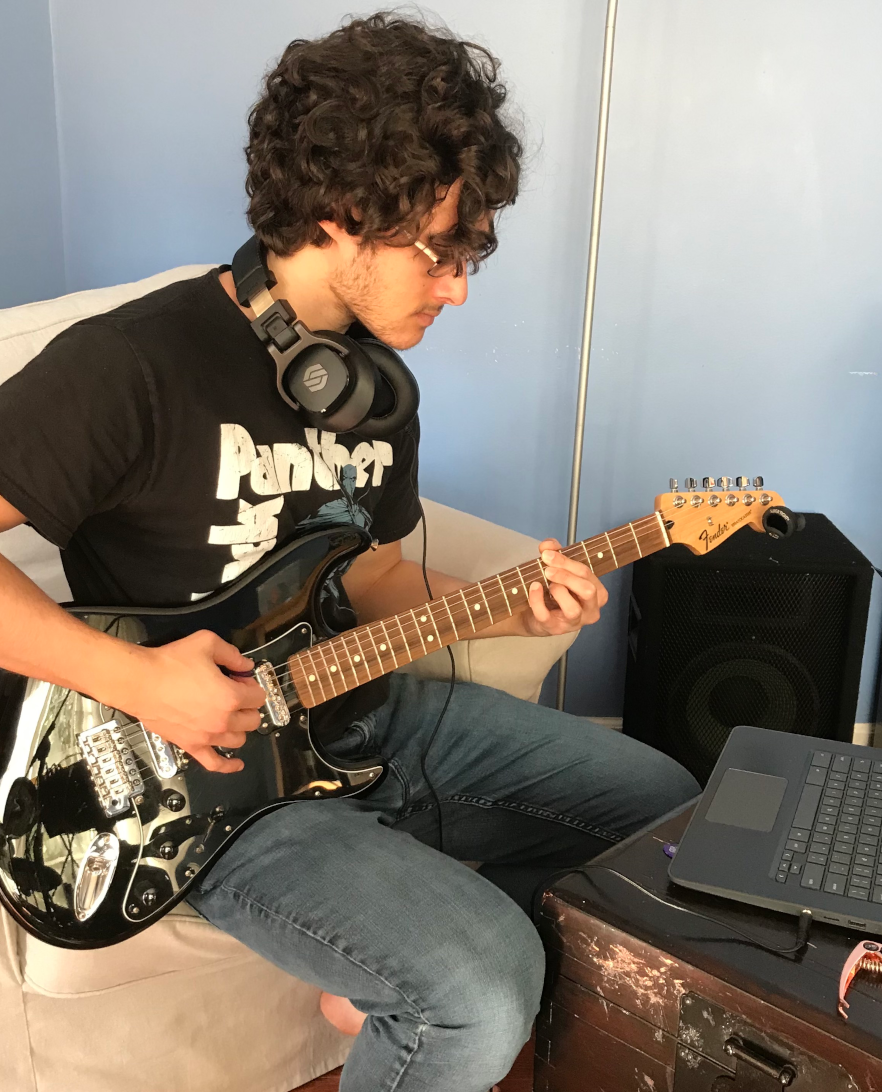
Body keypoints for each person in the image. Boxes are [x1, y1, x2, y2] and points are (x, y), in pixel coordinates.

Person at [0, 13, 698, 1091]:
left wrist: (509, 605)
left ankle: (391, 956)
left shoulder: (373, 388)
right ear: (341, 217)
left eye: (470, 255)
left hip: (366, 712)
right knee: (477, 989)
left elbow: (366, 572)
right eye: (440, 253)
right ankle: (432, 984)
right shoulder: (128, 367)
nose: (459, 288)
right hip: (201, 786)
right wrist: (135, 677)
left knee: (668, 815)